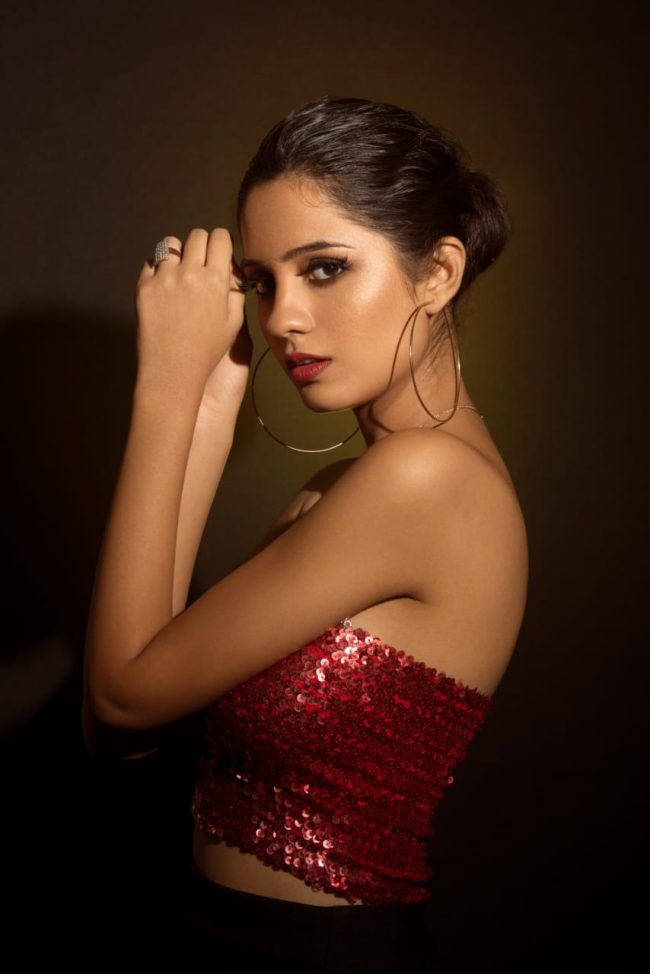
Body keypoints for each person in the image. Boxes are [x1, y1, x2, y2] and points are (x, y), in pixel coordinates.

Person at [82, 96, 528, 971]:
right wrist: (208, 410)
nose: (281, 317)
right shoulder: (342, 490)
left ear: (438, 274)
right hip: (215, 928)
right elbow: (128, 726)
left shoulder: (427, 480)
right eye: (262, 281)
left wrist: (164, 387)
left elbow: (119, 696)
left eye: (324, 269)